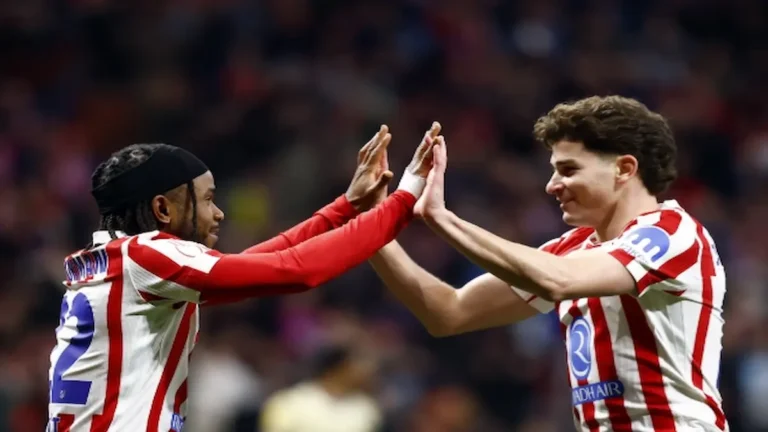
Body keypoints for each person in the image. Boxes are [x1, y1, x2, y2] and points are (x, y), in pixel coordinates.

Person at [46, 124, 437, 432]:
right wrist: (404, 199)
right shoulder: (147, 255)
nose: (218, 214)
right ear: (163, 209)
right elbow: (295, 271)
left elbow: (255, 264)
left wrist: (345, 207)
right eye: (207, 199)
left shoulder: (110, 263)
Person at [370, 97, 729, 431]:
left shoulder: (673, 235)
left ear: (624, 168)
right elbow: (448, 311)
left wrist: (442, 219)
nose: (552, 185)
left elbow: (557, 281)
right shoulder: (570, 250)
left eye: (568, 170)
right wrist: (369, 227)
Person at [260, 345, 382, 432]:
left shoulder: (368, 409)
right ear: (337, 368)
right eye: (359, 365)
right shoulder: (289, 402)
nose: (367, 372)